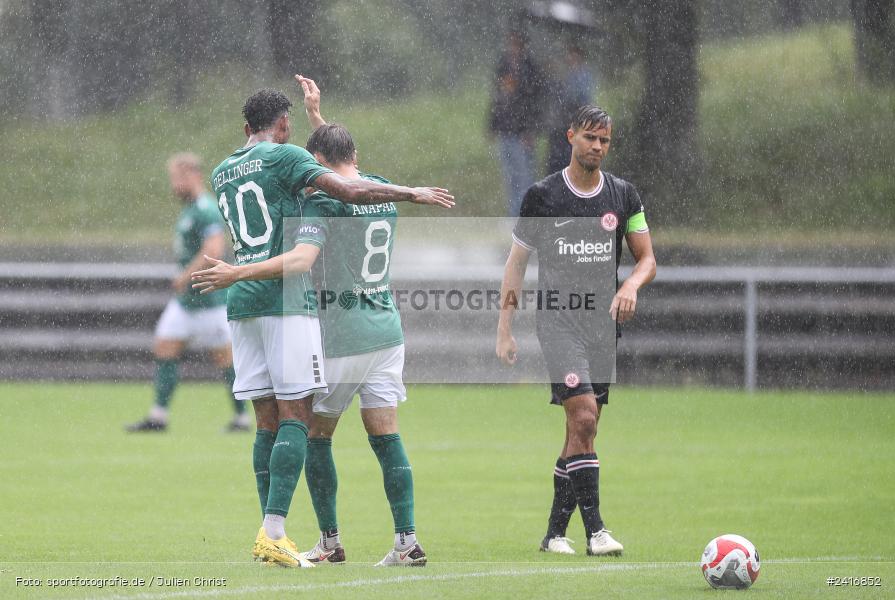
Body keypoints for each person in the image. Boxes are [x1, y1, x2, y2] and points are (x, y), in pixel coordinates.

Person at [200, 83, 452, 568]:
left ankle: (319, 538)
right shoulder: (380, 192)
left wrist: (234, 271)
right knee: (385, 436)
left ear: (245, 127)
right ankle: (406, 539)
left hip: (317, 323)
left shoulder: (230, 173)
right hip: (385, 331)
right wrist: (410, 190)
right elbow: (349, 175)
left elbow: (308, 239)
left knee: (296, 429)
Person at [495, 105, 656, 556]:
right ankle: (597, 531)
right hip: (559, 323)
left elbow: (647, 257)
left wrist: (631, 284)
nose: (597, 147)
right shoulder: (542, 196)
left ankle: (553, 534)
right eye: (590, 138)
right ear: (571, 137)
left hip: (602, 329)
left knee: (582, 431)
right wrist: (505, 327)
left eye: (604, 140)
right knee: (583, 416)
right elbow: (516, 263)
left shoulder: (624, 195)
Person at [126, 153, 249, 433]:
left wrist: (185, 275)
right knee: (164, 346)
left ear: (192, 176)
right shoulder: (191, 209)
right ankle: (159, 415)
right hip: (186, 302)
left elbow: (214, 249)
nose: (174, 185)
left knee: (225, 359)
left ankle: (242, 418)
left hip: (211, 300)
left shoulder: (206, 208)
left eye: (176, 179)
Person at [488, 29, 546, 217]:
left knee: (525, 176)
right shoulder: (503, 66)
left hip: (522, 133)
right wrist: (492, 125)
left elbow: (534, 102)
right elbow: (496, 98)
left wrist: (530, 130)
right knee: (509, 176)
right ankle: (513, 214)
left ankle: (525, 214)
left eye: (515, 44)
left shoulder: (530, 69)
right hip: (505, 129)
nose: (512, 48)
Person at [545, 43, 595, 175]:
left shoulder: (584, 75)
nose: (570, 59)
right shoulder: (565, 74)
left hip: (574, 124)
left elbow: (581, 99)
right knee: (556, 163)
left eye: (573, 55)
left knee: (570, 161)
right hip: (561, 125)